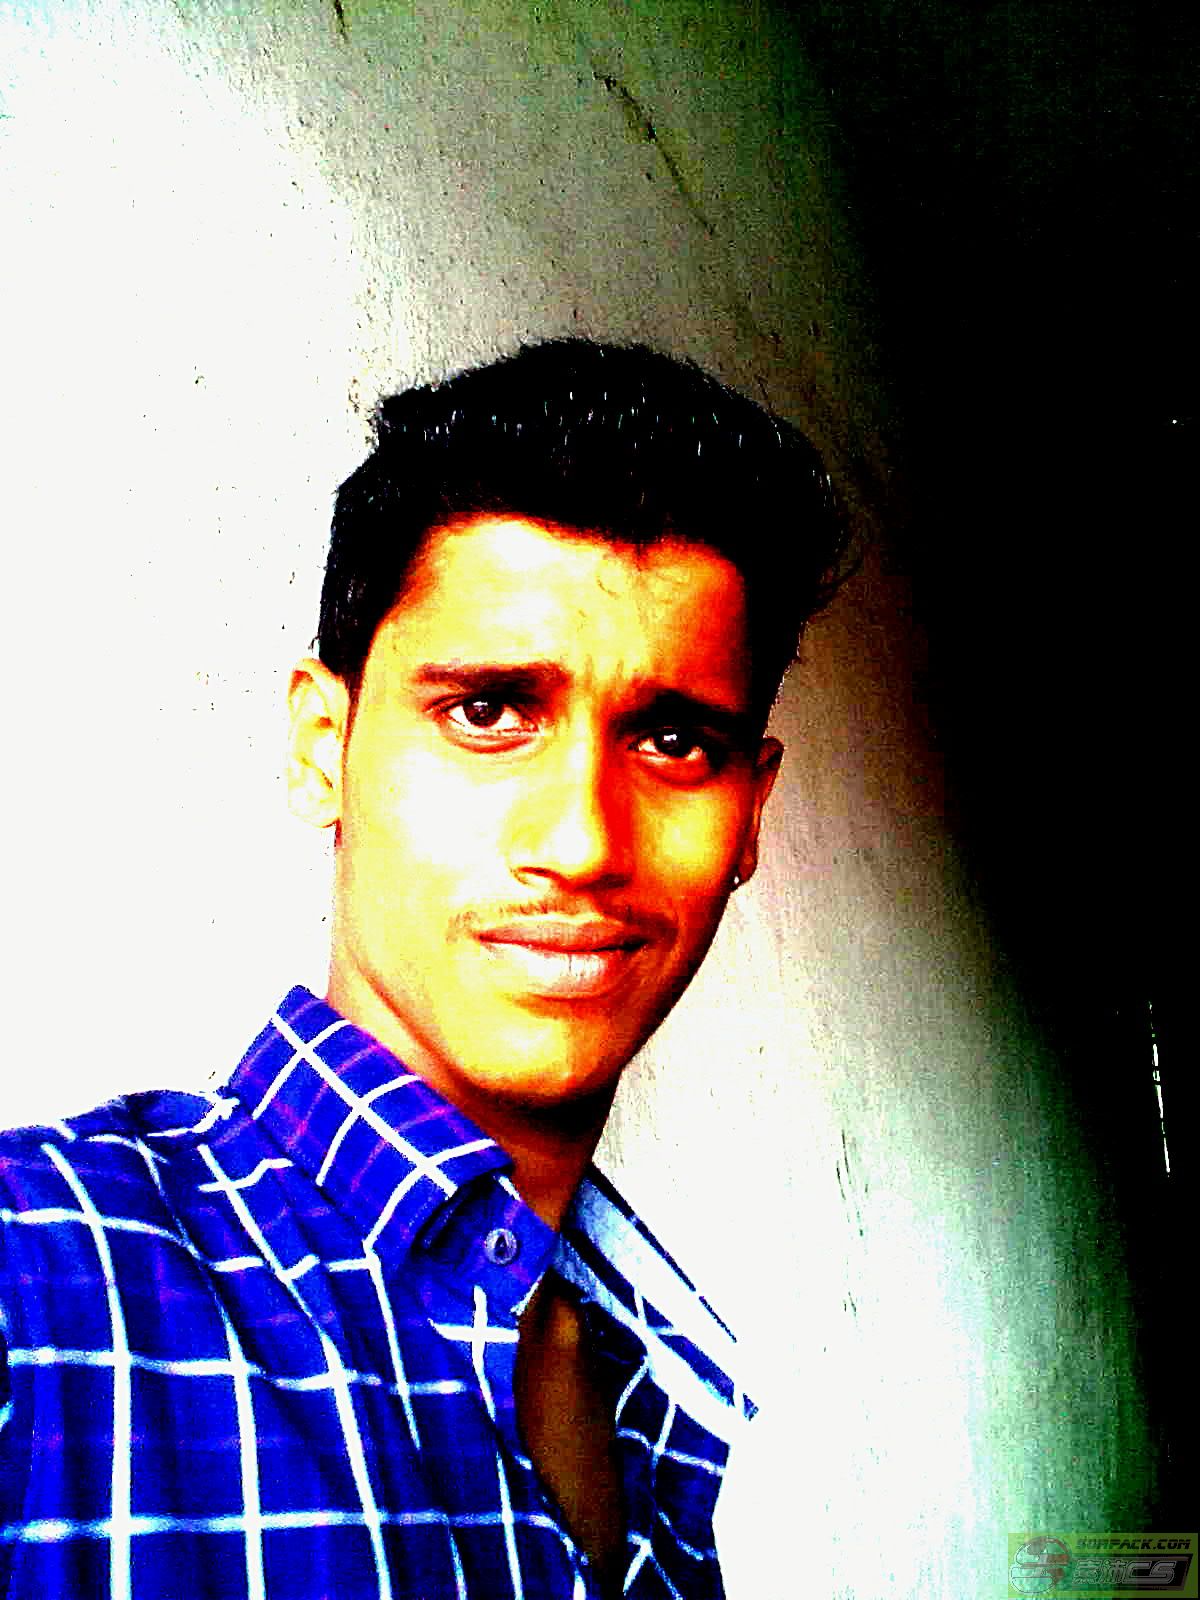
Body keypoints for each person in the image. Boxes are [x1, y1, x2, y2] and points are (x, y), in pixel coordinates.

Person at [0, 339, 846, 1599]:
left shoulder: (642, 1386)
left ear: (751, 813)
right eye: (488, 712)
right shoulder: (38, 1278)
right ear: (321, 749)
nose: (583, 841)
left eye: (674, 740)